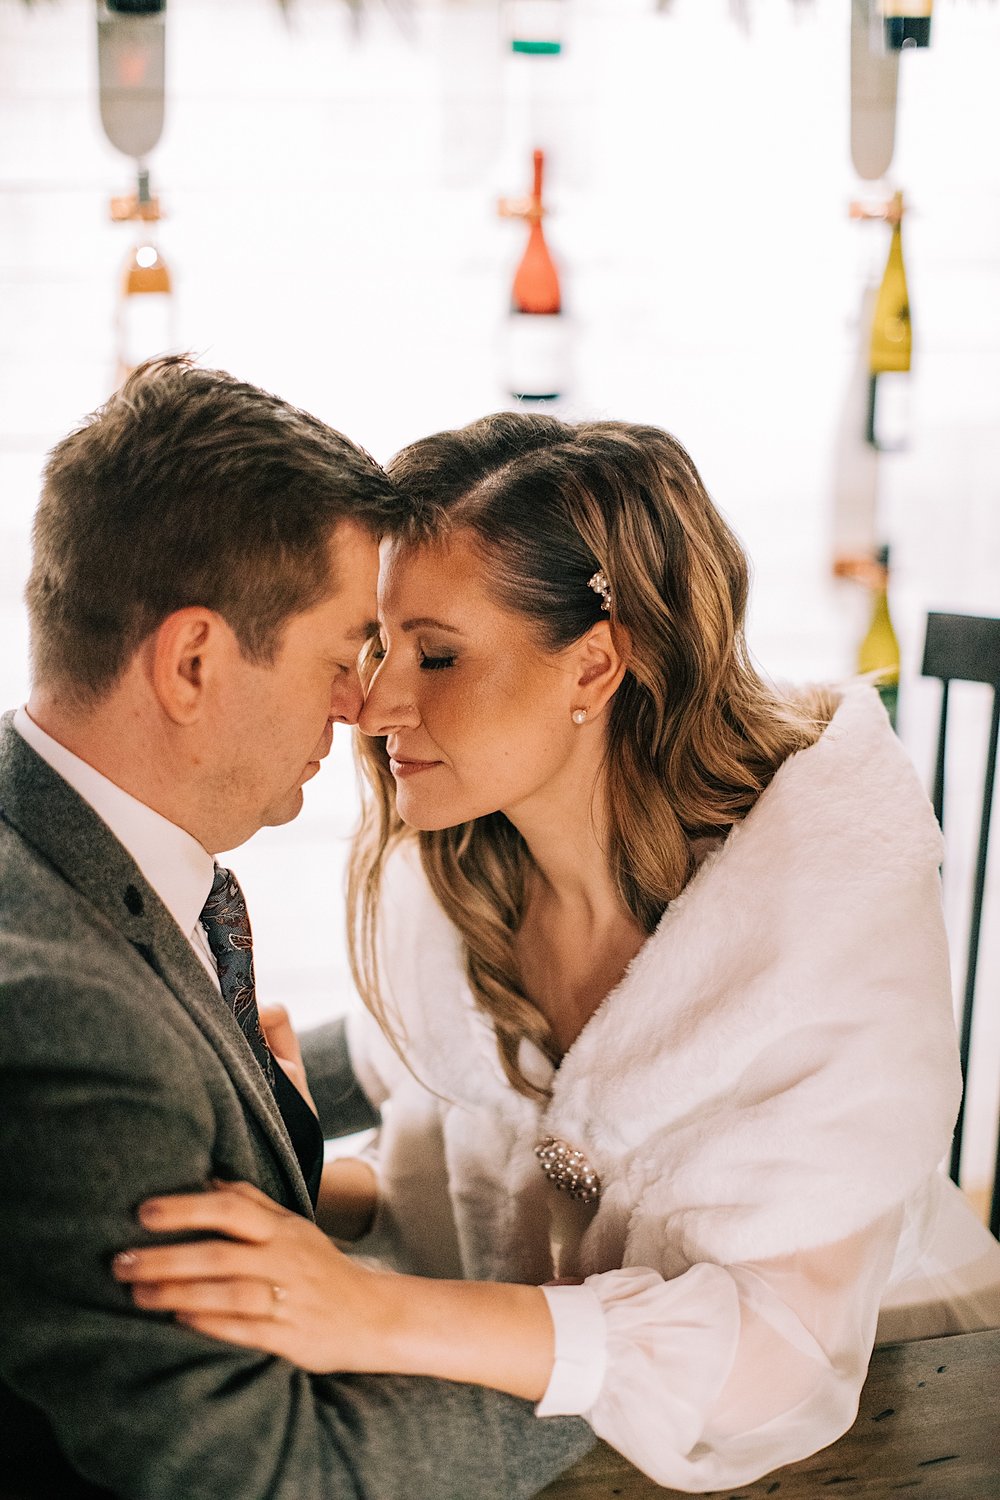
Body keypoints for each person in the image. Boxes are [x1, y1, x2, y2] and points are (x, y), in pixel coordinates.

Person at [111, 412, 1000, 1493]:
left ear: (591, 666)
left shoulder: (819, 922)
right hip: (553, 1427)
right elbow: (456, 1128)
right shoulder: (460, 868)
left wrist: (375, 1310)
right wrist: (276, 1149)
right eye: (379, 645)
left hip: (885, 1419)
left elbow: (777, 1357)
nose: (374, 704)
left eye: (437, 654)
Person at [0, 370, 596, 1500]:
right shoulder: (68, 1019)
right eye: (342, 655)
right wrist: (620, 1370)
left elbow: (230, 1086)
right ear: (193, 663)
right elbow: (271, 1471)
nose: (360, 709)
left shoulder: (54, 841)